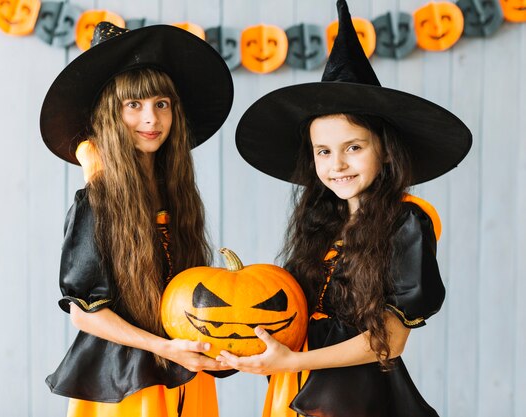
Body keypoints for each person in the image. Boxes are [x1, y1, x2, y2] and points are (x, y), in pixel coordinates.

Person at [228, 1, 472, 416]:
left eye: (353, 148)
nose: (336, 164)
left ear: (386, 152)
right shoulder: (322, 221)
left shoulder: (406, 221)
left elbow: (389, 341)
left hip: (353, 397)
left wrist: (295, 362)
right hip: (294, 385)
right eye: (323, 151)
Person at [39, 22, 234, 417]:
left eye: (161, 104)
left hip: (184, 370)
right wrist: (163, 347)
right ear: (112, 114)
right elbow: (84, 312)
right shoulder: (97, 202)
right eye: (135, 105)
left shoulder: (178, 195)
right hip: (128, 384)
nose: (152, 119)